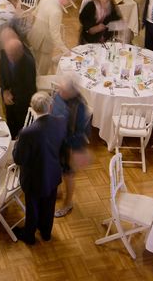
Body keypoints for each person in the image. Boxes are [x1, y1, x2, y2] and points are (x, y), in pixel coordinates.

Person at [12, 92, 66, 245]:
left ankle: (29, 236)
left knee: (33, 208)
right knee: (49, 205)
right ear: (50, 106)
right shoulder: (61, 122)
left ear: (33, 108)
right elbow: (63, 147)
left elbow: (18, 159)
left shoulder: (27, 133)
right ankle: (46, 233)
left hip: (34, 178)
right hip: (53, 172)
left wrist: (17, 143)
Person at [52, 76, 90, 218]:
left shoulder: (79, 106)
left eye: (63, 90)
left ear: (71, 92)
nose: (59, 92)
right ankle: (59, 192)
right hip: (57, 141)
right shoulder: (59, 96)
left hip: (69, 145)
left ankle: (68, 203)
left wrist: (74, 151)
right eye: (60, 89)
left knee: (68, 175)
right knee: (57, 169)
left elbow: (80, 131)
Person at [27, 0, 72, 75]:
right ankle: (38, 87)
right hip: (45, 43)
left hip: (34, 36)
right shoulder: (57, 11)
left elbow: (33, 14)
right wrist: (65, 50)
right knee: (42, 71)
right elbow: (55, 34)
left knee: (33, 65)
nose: (69, 2)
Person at [0, 37, 37, 139]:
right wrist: (4, 91)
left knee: (21, 129)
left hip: (22, 102)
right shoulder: (4, 54)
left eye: (12, 55)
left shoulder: (28, 63)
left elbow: (29, 87)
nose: (9, 58)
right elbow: (1, 75)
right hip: (8, 101)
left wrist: (13, 97)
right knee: (10, 123)